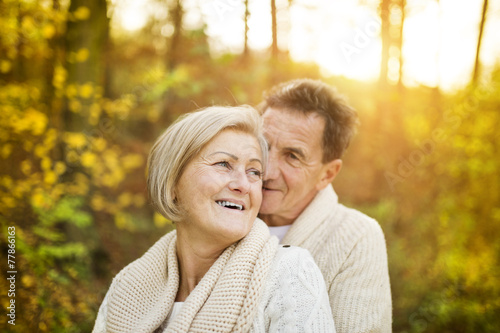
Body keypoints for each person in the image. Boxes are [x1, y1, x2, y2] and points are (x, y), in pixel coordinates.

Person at [92, 105, 335, 333]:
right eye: (223, 164)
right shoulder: (126, 287)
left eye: (254, 172)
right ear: (172, 183)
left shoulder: (289, 273)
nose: (243, 185)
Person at [258, 79, 392, 333]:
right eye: (263, 146)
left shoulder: (357, 238)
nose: (267, 170)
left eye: (293, 156)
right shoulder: (225, 216)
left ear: (327, 174)